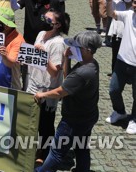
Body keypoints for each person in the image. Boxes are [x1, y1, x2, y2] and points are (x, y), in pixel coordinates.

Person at [34, 31, 102, 172]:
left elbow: (61, 91)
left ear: (87, 50)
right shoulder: (90, 64)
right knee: (81, 147)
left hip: (72, 121)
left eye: (76, 47)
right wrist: (67, 58)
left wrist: (43, 94)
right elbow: (68, 77)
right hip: (88, 116)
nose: (71, 48)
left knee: (56, 152)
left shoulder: (83, 72)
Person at [26, 10, 70, 164]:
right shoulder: (41, 33)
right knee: (33, 121)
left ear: (57, 24)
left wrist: (43, 56)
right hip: (33, 83)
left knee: (45, 124)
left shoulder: (58, 43)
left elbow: (54, 72)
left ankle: (44, 153)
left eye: (48, 18)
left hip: (47, 89)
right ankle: (34, 148)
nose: (43, 18)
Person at [106, 0, 136, 134]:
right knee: (113, 90)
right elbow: (112, 13)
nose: (134, 5)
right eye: (134, 2)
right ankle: (119, 111)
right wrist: (109, 1)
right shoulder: (129, 14)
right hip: (122, 60)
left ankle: (134, 119)